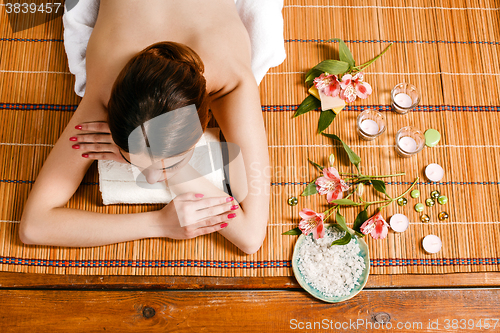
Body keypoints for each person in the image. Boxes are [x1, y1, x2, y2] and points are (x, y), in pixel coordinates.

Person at [19, 0, 270, 255]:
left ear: (205, 118)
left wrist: (167, 168)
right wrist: (158, 223)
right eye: (132, 161)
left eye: (170, 165)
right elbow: (33, 226)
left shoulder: (231, 78)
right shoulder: (107, 87)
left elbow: (251, 237)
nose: (151, 179)